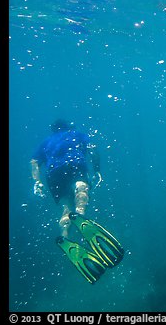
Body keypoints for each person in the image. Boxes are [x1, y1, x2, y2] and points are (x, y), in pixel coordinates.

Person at [31, 119, 123, 284]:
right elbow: (93, 150)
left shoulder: (46, 142)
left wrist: (36, 181)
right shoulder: (77, 135)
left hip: (53, 175)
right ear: (68, 127)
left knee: (65, 208)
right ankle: (80, 215)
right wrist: (97, 170)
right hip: (75, 166)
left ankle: (64, 236)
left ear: (53, 129)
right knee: (81, 188)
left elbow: (35, 162)